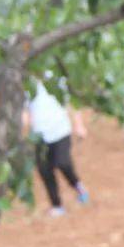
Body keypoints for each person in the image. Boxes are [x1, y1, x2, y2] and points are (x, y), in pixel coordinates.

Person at [23, 74, 90, 217]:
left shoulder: (55, 77)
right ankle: (56, 205)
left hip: (60, 130)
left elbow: (70, 102)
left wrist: (79, 125)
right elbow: (25, 110)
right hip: (39, 135)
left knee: (63, 163)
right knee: (45, 170)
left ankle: (78, 186)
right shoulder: (27, 82)